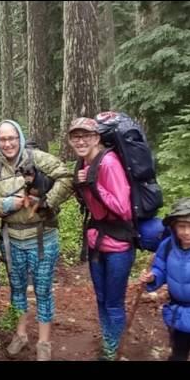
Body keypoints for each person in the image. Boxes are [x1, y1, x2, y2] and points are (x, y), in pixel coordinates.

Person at [0, 120, 73, 361]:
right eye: (2, 139)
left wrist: (47, 202)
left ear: (19, 137)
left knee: (42, 290)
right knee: (17, 289)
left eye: (12, 138)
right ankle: (20, 334)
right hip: (11, 238)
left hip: (42, 236)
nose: (7, 143)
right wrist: (5, 205)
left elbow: (67, 178)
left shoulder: (38, 158)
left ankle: (44, 341)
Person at [69, 116, 134, 361]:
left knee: (114, 301)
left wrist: (95, 184)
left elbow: (123, 208)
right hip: (97, 241)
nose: (81, 140)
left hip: (118, 244)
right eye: (76, 136)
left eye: (86, 135)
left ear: (97, 138)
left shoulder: (108, 163)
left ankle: (112, 348)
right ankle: (109, 337)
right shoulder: (83, 164)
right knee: (101, 297)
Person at [139, 198, 190, 361]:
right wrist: (153, 278)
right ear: (174, 228)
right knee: (178, 354)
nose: (187, 232)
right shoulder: (167, 246)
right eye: (182, 226)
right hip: (177, 316)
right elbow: (160, 269)